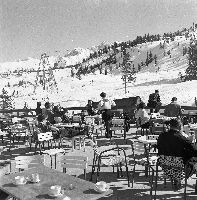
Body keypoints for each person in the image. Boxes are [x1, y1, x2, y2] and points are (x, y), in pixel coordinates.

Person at [157, 118, 197, 190]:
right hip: (180, 170)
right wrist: (190, 142)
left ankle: (177, 179)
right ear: (179, 126)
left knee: (177, 155)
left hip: (165, 168)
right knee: (194, 160)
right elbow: (195, 151)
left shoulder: (161, 136)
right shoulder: (181, 138)